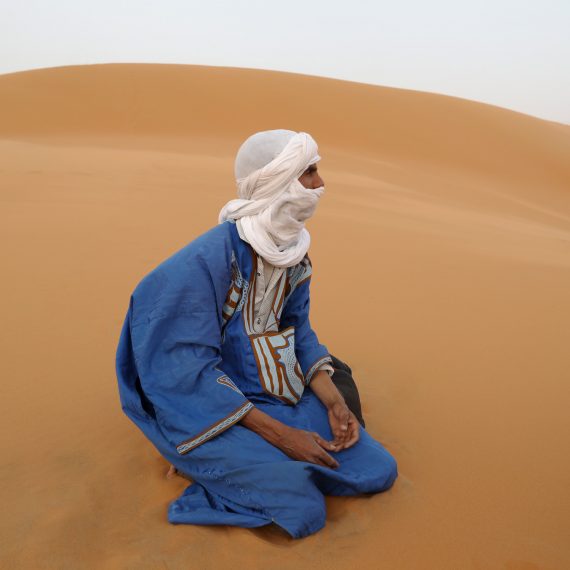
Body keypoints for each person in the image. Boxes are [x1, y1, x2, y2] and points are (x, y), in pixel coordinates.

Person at [115, 129, 397, 538]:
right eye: (310, 173)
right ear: (277, 181)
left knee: (377, 470)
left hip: (272, 393)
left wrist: (335, 404)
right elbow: (182, 369)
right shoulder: (206, 260)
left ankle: (251, 465)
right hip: (203, 405)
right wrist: (283, 438)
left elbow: (298, 331)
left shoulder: (293, 254)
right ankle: (208, 467)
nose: (320, 184)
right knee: (302, 509)